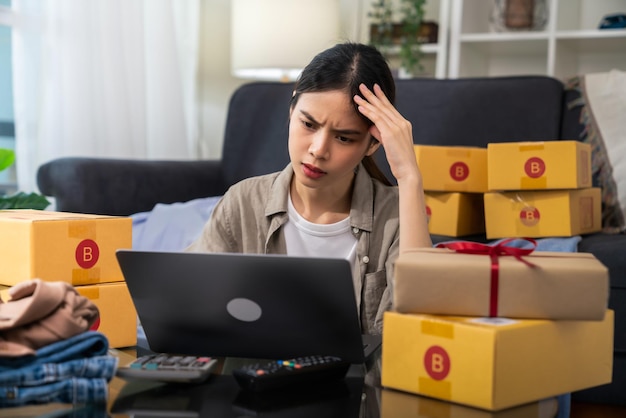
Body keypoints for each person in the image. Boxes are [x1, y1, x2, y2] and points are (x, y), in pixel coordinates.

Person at [187, 42, 432, 334]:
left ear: (373, 143)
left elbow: (418, 328)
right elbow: (190, 303)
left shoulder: (397, 215)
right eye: (308, 124)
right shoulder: (242, 202)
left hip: (355, 381)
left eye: (344, 138)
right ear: (292, 109)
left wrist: (409, 176)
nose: (318, 150)